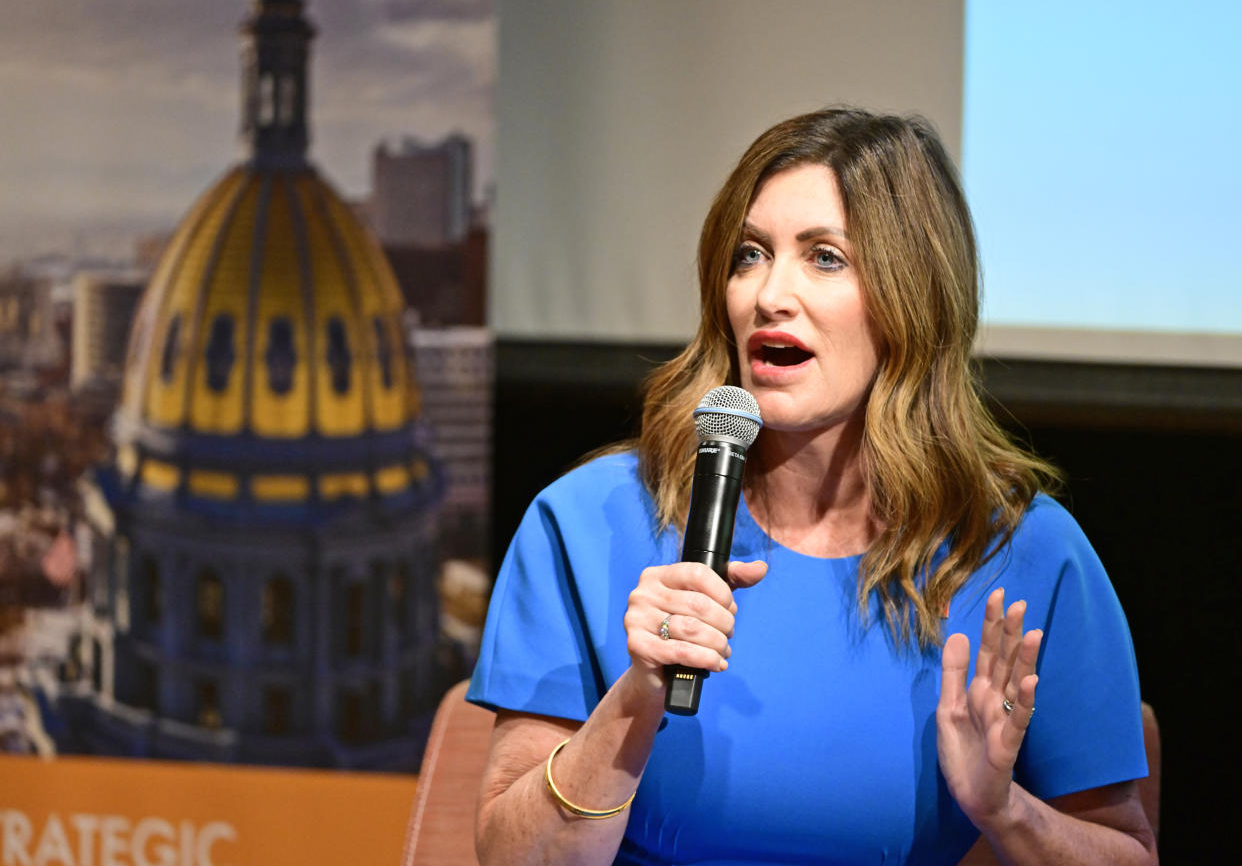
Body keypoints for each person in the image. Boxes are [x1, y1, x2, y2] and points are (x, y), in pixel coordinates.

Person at [466, 108, 1156, 866]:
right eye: (749, 255)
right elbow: (510, 858)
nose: (769, 295)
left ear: (912, 298)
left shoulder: (1023, 554)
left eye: (825, 258)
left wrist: (1004, 808)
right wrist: (635, 699)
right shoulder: (587, 522)